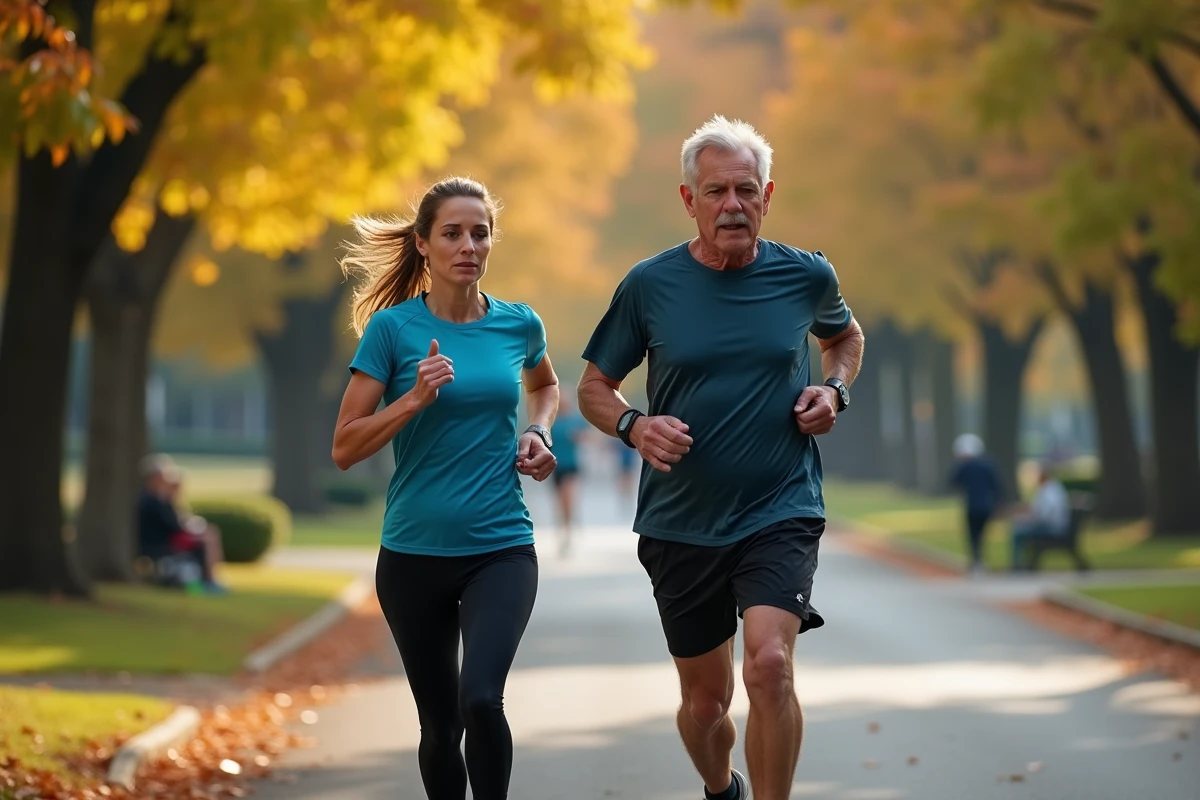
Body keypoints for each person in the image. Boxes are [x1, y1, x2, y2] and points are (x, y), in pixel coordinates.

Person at [577, 115, 865, 800]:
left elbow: (846, 339)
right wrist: (633, 427)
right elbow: (593, 387)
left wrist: (834, 390)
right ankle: (719, 787)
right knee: (706, 707)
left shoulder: (806, 275)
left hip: (780, 505)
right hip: (681, 520)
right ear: (689, 200)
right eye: (715, 192)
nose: (731, 205)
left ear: (768, 194)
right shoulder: (650, 285)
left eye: (745, 190)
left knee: (770, 666)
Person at [332, 176, 559, 800]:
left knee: (482, 698)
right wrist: (413, 399)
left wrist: (538, 433)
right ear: (425, 246)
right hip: (412, 554)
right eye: (453, 234)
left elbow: (545, 385)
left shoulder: (519, 324)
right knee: (441, 724)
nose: (469, 246)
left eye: (480, 233)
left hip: (500, 547)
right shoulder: (391, 331)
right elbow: (345, 446)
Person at [135, 454, 228, 594]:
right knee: (202, 545)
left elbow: (177, 520)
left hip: (167, 542)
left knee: (207, 537)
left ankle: (211, 579)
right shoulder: (150, 501)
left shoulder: (160, 499)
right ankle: (207, 580)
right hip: (158, 546)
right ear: (153, 478)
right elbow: (173, 526)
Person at [948, 433, 1004, 574]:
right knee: (983, 535)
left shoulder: (965, 466)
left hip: (972, 506)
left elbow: (952, 481)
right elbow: (997, 485)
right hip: (987, 505)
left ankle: (976, 562)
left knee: (973, 536)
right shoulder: (989, 464)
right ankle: (981, 562)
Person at [549, 387, 589, 557]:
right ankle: (564, 529)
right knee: (560, 502)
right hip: (554, 466)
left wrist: (579, 437)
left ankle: (569, 532)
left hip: (571, 466)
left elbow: (589, 437)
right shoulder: (552, 421)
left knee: (568, 498)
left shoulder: (575, 420)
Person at [1009, 463, 1071, 570]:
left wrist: (1028, 519)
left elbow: (1044, 515)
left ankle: (1017, 565)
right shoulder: (1052, 488)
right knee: (1020, 528)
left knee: (1018, 533)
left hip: (1053, 528)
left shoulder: (1049, 491)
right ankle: (1022, 563)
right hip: (1054, 526)